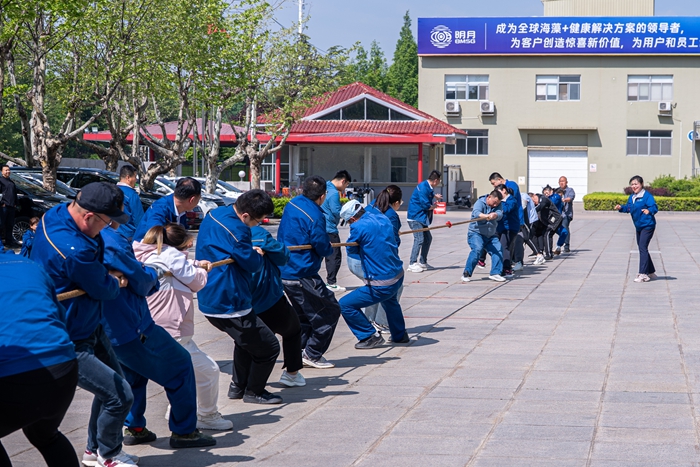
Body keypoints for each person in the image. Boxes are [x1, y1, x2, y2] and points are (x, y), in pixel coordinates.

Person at [30, 182, 137, 467]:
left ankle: (95, 450)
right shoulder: (74, 250)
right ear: (88, 215)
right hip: (68, 338)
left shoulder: (55, 213)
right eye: (107, 221)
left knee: (114, 388)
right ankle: (108, 455)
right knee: (120, 395)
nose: (111, 227)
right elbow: (105, 290)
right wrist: (113, 279)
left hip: (88, 322)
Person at [100, 204, 216, 449]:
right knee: (182, 367)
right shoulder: (113, 241)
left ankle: (135, 428)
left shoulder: (131, 248)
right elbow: (144, 282)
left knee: (134, 377)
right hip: (139, 324)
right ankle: (184, 431)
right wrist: (154, 274)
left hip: (111, 328)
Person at [134, 223, 232, 430]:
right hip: (171, 329)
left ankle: (173, 412)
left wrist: (194, 262)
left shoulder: (147, 253)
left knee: (181, 373)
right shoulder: (170, 255)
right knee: (206, 371)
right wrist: (202, 269)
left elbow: (181, 265)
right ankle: (204, 416)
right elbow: (196, 281)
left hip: (149, 325)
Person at [196, 189, 283, 404]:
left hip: (209, 294)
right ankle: (254, 392)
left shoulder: (215, 213)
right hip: (229, 300)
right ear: (245, 216)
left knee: (245, 342)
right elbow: (252, 264)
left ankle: (238, 387)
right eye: (257, 221)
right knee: (269, 347)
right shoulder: (239, 230)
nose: (256, 225)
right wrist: (255, 254)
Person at [0, 255, 79, 467]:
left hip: (16, 373)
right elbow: (58, 316)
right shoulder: (29, 265)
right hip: (63, 367)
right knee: (45, 434)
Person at [278, 176, 342, 369]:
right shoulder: (315, 215)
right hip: (302, 273)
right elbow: (321, 245)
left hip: (285, 271)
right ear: (322, 196)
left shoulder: (292, 204)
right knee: (330, 312)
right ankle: (313, 353)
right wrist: (328, 248)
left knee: (304, 316)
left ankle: (298, 353)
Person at [337, 200, 408, 349]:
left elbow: (351, 250)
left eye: (349, 222)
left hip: (381, 282)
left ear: (352, 219)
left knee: (345, 304)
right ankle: (400, 335)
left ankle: (369, 335)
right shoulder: (382, 217)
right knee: (390, 301)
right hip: (397, 275)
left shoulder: (358, 227)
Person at [250, 224, 306, 387]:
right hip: (266, 296)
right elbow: (283, 256)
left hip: (242, 299)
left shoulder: (223, 233)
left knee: (246, 341)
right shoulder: (257, 233)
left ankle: (238, 385)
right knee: (292, 330)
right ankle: (292, 373)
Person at [615, 175, 658, 283]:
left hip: (648, 225)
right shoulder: (632, 197)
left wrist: (649, 211)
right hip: (639, 226)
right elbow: (629, 208)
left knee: (642, 247)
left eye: (636, 184)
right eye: (632, 184)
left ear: (641, 184)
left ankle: (643, 274)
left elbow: (654, 207)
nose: (634, 186)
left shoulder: (646, 196)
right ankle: (651, 271)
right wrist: (621, 208)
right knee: (642, 247)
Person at [132, 177, 201, 242]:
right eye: (199, 199)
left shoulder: (182, 211)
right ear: (192, 200)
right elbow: (155, 233)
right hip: (145, 248)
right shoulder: (160, 208)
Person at [462, 190, 505, 283]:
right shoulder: (480, 202)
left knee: (498, 250)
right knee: (477, 250)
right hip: (476, 233)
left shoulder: (498, 205)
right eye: (494, 202)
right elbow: (476, 212)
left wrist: (495, 214)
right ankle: (466, 272)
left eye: (497, 203)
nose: (495, 205)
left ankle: (495, 273)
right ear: (489, 197)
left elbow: (500, 214)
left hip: (491, 234)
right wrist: (485, 216)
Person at [321, 170, 351, 293]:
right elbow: (336, 211)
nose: (345, 188)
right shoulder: (334, 193)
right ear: (343, 181)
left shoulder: (324, 187)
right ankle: (331, 283)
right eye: (346, 185)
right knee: (334, 257)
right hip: (330, 229)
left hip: (320, 228)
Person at [406, 170, 443, 273]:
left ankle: (423, 262)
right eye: (439, 181)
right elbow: (425, 205)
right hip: (415, 218)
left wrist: (435, 196)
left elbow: (429, 193)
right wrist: (434, 206)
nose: (439, 183)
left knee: (428, 239)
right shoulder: (423, 187)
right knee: (419, 239)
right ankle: (412, 263)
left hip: (421, 218)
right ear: (435, 180)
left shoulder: (427, 186)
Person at [489, 172, 524, 270]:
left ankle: (517, 262)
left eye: (493, 183)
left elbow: (510, 204)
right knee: (503, 245)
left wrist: (499, 208)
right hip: (503, 224)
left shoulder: (511, 187)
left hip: (514, 221)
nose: (493, 186)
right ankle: (506, 263)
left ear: (499, 180)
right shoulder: (501, 193)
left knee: (514, 242)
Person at [116, 165, 144, 242]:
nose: (136, 180)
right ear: (128, 177)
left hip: (111, 234)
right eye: (135, 177)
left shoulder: (111, 191)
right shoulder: (132, 195)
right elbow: (139, 220)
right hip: (128, 237)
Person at [529, 192, 556, 264]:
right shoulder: (540, 201)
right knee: (543, 234)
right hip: (545, 221)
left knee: (546, 235)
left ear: (534, 196)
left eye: (533, 201)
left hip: (553, 220)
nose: (533, 203)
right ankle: (542, 252)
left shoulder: (543, 199)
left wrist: (530, 212)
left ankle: (547, 254)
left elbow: (540, 207)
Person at [0, 165, 18, 247]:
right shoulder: (1, 181)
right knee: (1, 224)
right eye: (6, 170)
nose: (8, 171)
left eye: (9, 170)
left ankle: (9, 242)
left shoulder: (11, 182)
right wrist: (1, 203)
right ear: (2, 172)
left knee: (10, 225)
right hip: (4, 206)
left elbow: (14, 193)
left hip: (11, 206)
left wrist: (15, 203)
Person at [557, 176, 576, 253]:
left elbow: (570, 198)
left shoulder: (570, 190)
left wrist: (564, 200)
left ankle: (566, 246)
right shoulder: (557, 191)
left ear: (566, 182)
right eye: (560, 181)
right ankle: (559, 245)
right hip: (558, 214)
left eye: (563, 181)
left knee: (565, 227)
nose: (561, 183)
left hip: (566, 214)